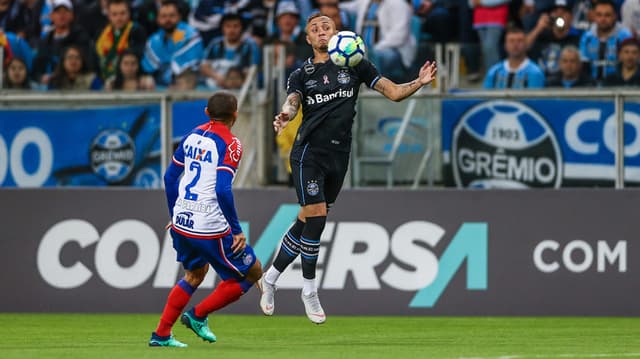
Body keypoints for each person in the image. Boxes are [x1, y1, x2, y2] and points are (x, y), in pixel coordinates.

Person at [257, 13, 437, 324]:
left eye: (326, 26)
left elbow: (393, 93)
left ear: (337, 33)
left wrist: (418, 83)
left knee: (306, 220)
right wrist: (286, 115)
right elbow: (292, 102)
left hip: (339, 156)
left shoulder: (356, 65)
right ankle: (309, 290)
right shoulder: (302, 74)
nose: (321, 31)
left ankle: (270, 278)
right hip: (308, 153)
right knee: (316, 216)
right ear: (309, 40)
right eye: (314, 29)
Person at [149, 91, 263, 347]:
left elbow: (169, 178)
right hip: (208, 225)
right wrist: (236, 230)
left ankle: (162, 334)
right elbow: (223, 188)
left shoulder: (191, 136)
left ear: (206, 113)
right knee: (252, 272)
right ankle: (197, 315)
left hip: (182, 221)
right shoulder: (231, 144)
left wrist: (174, 214)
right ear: (235, 115)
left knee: (194, 274)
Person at [141, 0, 203, 89]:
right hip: (161, 83)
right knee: (144, 80)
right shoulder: (154, 39)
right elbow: (148, 68)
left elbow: (190, 66)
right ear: (158, 19)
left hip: (186, 79)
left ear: (179, 17)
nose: (168, 20)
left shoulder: (190, 35)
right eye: (163, 16)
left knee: (186, 79)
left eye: (172, 16)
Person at [579, 0, 632, 85]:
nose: (603, 19)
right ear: (594, 16)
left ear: (615, 16)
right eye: (599, 15)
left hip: (618, 84)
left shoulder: (625, 36)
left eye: (607, 15)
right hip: (590, 85)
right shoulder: (587, 37)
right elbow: (584, 64)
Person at [95, 0, 147, 80]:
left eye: (122, 13)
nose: (119, 18)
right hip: (103, 77)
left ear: (129, 14)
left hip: (129, 78)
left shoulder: (136, 30)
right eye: (114, 14)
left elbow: (139, 57)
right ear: (109, 16)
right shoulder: (101, 32)